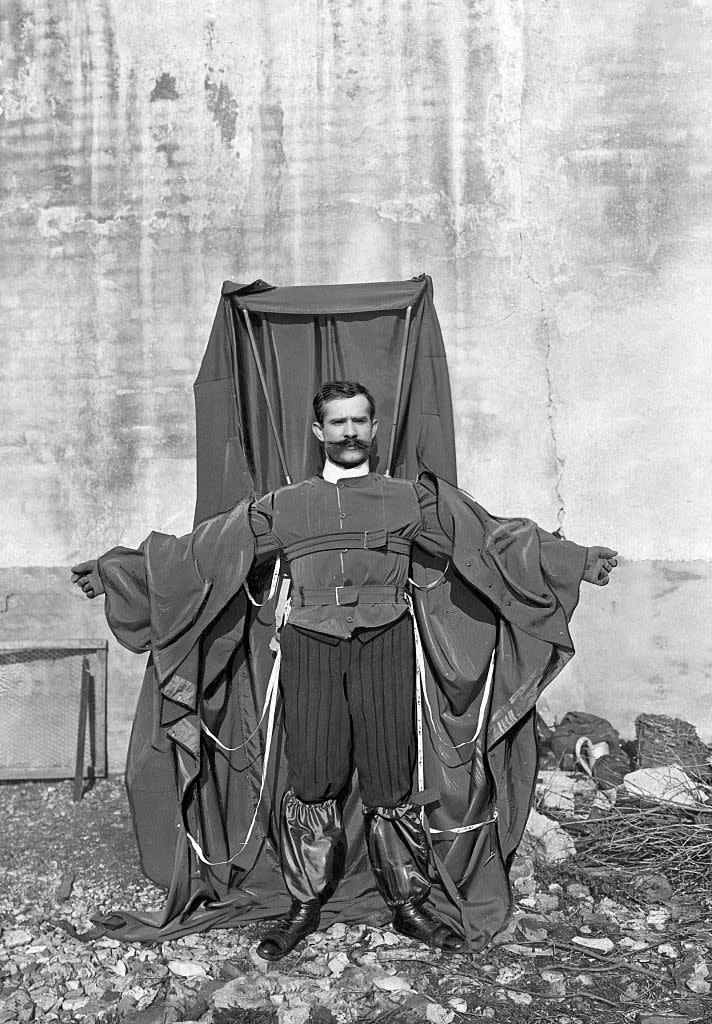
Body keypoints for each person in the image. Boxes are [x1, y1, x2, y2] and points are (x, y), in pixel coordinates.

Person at [72, 380, 617, 960]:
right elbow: (199, 554)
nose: (350, 432)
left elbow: (489, 539)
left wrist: (575, 560)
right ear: (319, 432)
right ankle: (304, 905)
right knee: (313, 779)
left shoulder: (410, 500)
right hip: (310, 649)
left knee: (389, 778)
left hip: (387, 646)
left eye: (360, 420)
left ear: (374, 428)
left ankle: (406, 904)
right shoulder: (285, 506)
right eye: (338, 423)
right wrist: (118, 573)